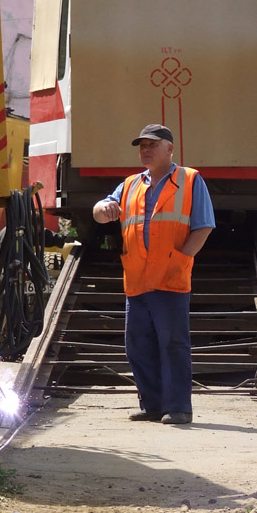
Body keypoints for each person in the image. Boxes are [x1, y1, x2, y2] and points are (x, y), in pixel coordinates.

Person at [93, 124, 215, 425]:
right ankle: (152, 405)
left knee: (173, 344)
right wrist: (103, 206)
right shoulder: (132, 184)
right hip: (137, 279)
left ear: (169, 149)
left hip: (170, 277)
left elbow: (204, 226)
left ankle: (179, 408)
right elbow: (100, 211)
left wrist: (182, 259)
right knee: (137, 344)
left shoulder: (190, 179)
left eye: (152, 144)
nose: (145, 150)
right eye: (142, 146)